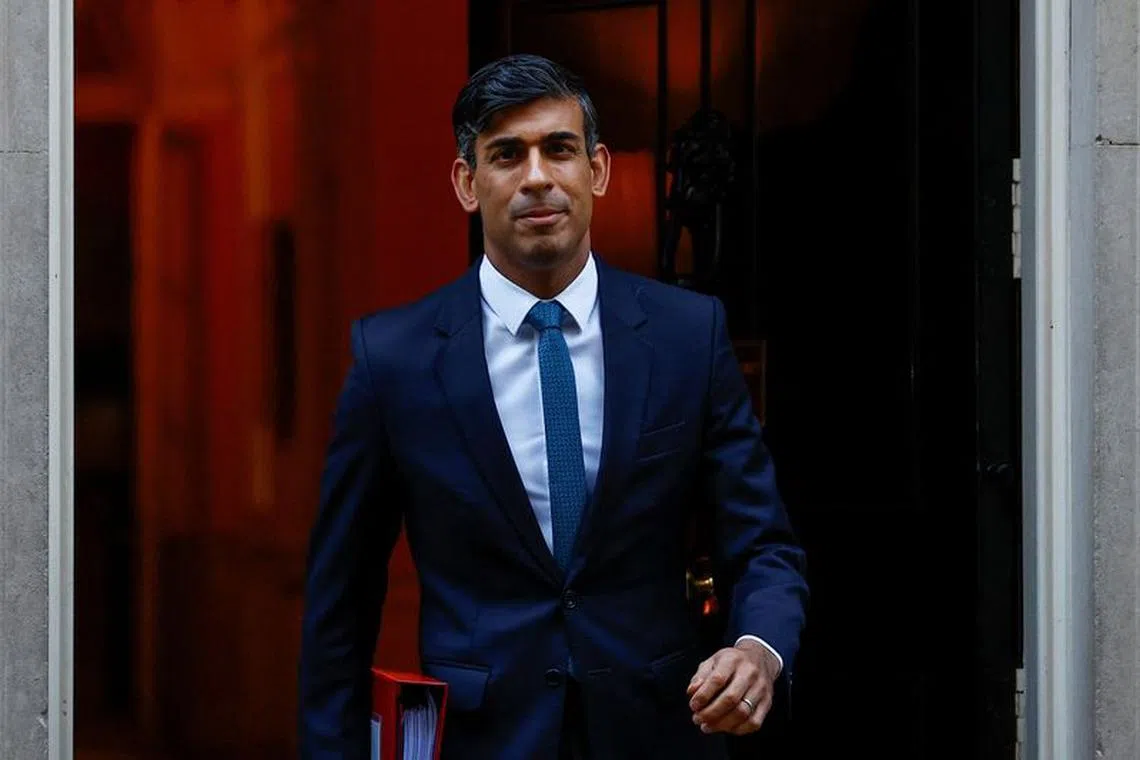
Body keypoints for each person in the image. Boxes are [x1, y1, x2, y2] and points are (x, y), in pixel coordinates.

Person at [299, 53, 808, 760]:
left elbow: (763, 544)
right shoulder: (395, 358)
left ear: (596, 170)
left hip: (660, 733)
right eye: (508, 154)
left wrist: (758, 648)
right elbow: (341, 600)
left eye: (559, 149)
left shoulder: (688, 336)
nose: (537, 175)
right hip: (483, 740)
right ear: (467, 183)